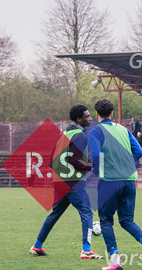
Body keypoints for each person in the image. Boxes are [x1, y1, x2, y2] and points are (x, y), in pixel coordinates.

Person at [87, 99, 142, 270]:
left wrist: (97, 171)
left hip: (110, 181)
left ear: (97, 114)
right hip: (129, 180)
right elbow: (139, 152)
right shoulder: (123, 130)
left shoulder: (95, 131)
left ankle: (115, 260)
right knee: (127, 220)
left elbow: (95, 155)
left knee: (106, 220)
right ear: (112, 113)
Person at [29, 105, 104, 260]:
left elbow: (51, 157)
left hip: (59, 180)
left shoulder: (64, 134)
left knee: (55, 213)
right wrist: (90, 165)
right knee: (87, 212)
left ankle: (37, 246)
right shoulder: (80, 136)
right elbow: (74, 160)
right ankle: (86, 250)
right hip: (73, 181)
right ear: (79, 119)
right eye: (87, 116)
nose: (90, 118)